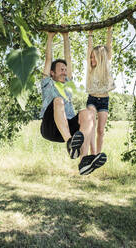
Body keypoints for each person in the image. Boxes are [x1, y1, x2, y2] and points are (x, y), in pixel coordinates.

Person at [39, 31, 107, 175]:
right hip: (50, 127)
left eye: (65, 69)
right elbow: (48, 58)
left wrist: (65, 36)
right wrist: (50, 37)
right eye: (61, 69)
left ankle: (84, 160)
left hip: (67, 126)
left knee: (87, 113)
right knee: (58, 100)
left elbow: (68, 58)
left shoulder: (68, 83)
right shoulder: (47, 83)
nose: (64, 72)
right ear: (52, 73)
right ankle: (70, 143)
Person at [85, 26, 115, 162]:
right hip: (92, 99)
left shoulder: (106, 63)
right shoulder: (90, 68)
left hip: (104, 100)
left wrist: (110, 30)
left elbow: (109, 46)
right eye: (91, 57)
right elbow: (88, 50)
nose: (91, 60)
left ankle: (98, 155)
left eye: (93, 58)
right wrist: (90, 34)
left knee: (101, 130)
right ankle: (92, 153)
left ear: (100, 57)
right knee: (91, 125)